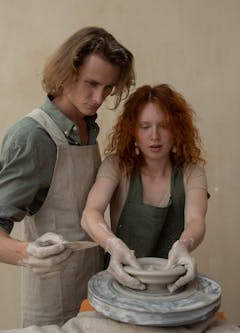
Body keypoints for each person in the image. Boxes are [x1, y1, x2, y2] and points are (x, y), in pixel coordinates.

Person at [0, 27, 135, 326]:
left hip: (94, 291)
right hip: (51, 304)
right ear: (66, 72)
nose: (99, 98)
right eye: (92, 84)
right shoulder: (32, 136)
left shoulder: (87, 126)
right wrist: (27, 252)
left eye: (109, 88)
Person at [81, 84, 208, 293]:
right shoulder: (117, 166)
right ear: (133, 131)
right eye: (145, 126)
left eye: (164, 126)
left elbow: (196, 221)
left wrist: (184, 245)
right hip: (121, 277)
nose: (155, 136)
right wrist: (112, 244)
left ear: (177, 130)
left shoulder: (191, 173)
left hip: (170, 283)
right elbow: (90, 214)